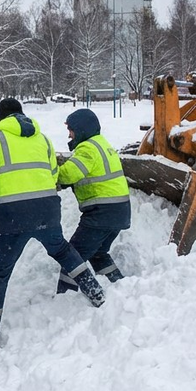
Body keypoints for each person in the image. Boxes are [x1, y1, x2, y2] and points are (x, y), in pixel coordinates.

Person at [0, 98, 105, 344]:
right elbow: (53, 174)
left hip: (12, 215)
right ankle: (95, 292)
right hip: (46, 209)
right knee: (63, 250)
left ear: (1, 119)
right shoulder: (43, 139)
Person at [56, 109, 130, 291]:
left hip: (102, 213)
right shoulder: (103, 144)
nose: (69, 134)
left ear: (81, 129)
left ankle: (65, 299)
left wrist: (51, 175)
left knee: (72, 257)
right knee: (98, 252)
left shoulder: (87, 148)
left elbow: (68, 174)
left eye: (71, 130)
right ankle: (121, 287)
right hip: (119, 211)